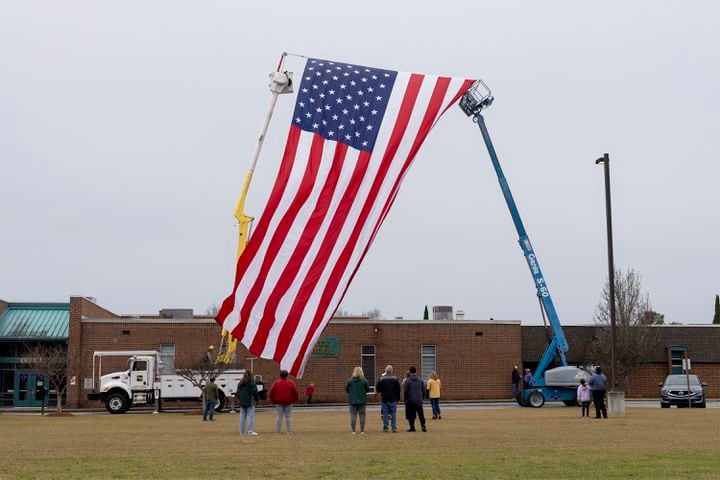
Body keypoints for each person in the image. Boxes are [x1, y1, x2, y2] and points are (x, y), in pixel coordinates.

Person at [268, 370, 299, 434]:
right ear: (287, 375)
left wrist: (273, 400)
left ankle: (278, 431)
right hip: (289, 401)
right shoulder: (291, 382)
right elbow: (295, 392)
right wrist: (295, 399)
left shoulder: (276, 383)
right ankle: (289, 431)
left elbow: (271, 392)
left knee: (279, 416)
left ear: (280, 375)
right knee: (288, 416)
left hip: (278, 402)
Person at [376, 365, 401, 433]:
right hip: (393, 398)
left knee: (385, 413)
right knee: (393, 414)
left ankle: (385, 428)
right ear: (392, 371)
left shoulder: (381, 378)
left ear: (385, 371)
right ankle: (394, 428)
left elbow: (377, 388)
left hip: (384, 398)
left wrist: (381, 391)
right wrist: (398, 398)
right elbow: (398, 389)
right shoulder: (395, 378)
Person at [346, 366, 370, 434]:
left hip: (352, 401)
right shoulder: (364, 381)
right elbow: (368, 390)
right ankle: (362, 431)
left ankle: (353, 431)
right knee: (362, 415)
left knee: (353, 415)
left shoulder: (349, 381)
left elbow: (347, 390)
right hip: (362, 401)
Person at [403, 366, 427, 432]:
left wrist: (405, 399)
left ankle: (412, 427)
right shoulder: (420, 380)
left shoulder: (407, 381)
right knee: (421, 414)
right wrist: (423, 398)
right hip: (419, 400)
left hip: (410, 400)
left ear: (410, 372)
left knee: (411, 415)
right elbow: (424, 390)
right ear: (416, 371)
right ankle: (423, 426)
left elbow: (405, 391)